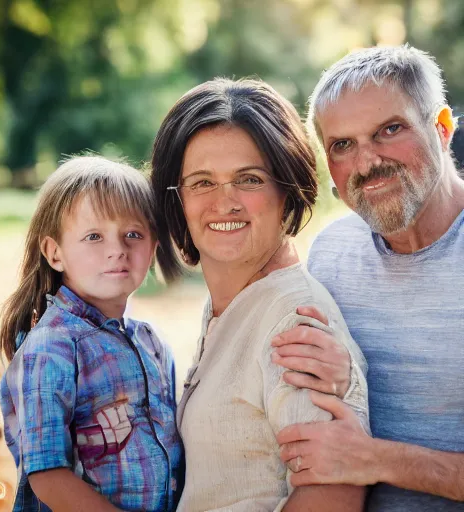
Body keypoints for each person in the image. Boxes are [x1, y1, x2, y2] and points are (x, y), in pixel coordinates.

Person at [151, 77, 369, 511]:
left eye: (248, 179)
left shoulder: (293, 322)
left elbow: (334, 496)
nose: (225, 202)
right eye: (201, 182)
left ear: (287, 190)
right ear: (177, 199)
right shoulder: (234, 304)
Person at [274, 45, 464, 510]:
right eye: (343, 145)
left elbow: (357, 457)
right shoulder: (332, 254)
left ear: (442, 128)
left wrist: (378, 460)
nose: (367, 163)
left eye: (390, 130)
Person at [0, 156, 184, 512]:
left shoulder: (152, 344)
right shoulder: (52, 347)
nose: (117, 249)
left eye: (133, 234)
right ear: (55, 253)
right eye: (94, 236)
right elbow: (48, 475)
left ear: (154, 247)